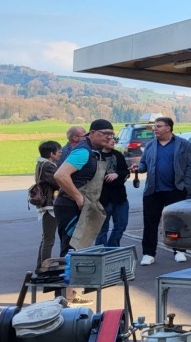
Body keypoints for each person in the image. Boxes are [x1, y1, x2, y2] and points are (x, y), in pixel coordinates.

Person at [53, 120, 113, 304]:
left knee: (77, 249)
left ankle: (70, 294)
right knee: (70, 249)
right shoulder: (83, 151)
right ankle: (64, 298)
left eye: (111, 134)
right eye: (105, 134)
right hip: (70, 206)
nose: (109, 137)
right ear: (92, 133)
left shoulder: (92, 151)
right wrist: (78, 197)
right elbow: (60, 175)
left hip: (78, 206)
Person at [131, 116, 191, 265]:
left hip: (176, 190)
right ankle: (148, 253)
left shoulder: (183, 144)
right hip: (153, 191)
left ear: (168, 128)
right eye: (155, 126)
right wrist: (138, 168)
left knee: (176, 222)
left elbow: (190, 166)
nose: (155, 129)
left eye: (158, 126)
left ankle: (179, 250)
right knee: (150, 223)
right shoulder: (150, 145)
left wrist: (186, 185)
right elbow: (144, 164)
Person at [94, 136, 131, 248]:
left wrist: (117, 174)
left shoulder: (118, 155)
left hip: (119, 197)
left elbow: (125, 171)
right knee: (102, 228)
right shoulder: (95, 156)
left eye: (114, 139)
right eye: (110, 139)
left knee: (121, 225)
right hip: (103, 198)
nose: (113, 141)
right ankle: (101, 251)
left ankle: (112, 248)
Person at [33, 140, 62, 270]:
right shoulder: (48, 166)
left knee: (46, 238)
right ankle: (45, 268)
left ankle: (41, 266)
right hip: (50, 205)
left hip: (45, 204)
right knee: (49, 239)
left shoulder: (41, 164)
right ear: (51, 154)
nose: (60, 154)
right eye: (59, 152)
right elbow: (59, 183)